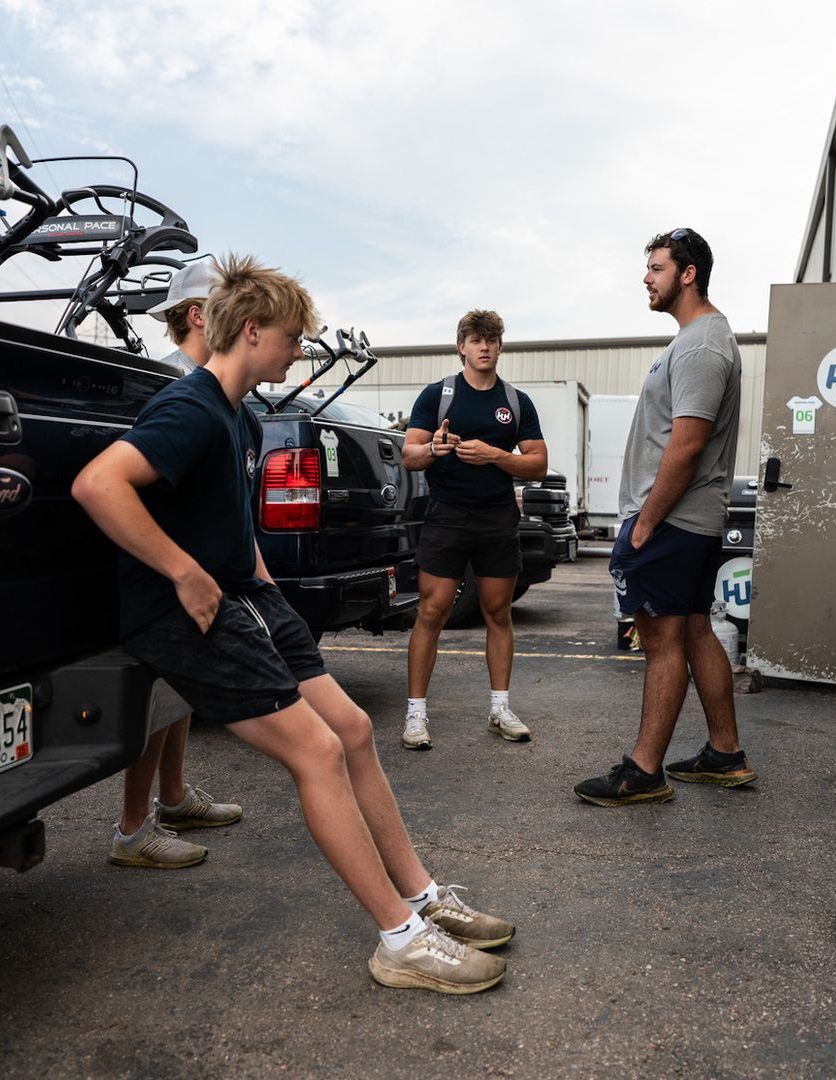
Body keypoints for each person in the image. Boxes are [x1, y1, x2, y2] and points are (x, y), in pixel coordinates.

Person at [72, 255, 515, 992]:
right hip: (182, 611)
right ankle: (399, 941)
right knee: (316, 751)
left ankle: (422, 897)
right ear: (251, 331)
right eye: (293, 337)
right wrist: (184, 572)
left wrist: (270, 596)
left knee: (354, 730)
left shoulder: (241, 414)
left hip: (250, 597)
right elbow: (98, 484)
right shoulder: (189, 406)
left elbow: (228, 520)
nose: (301, 349)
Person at [575, 228, 756, 806]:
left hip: (673, 519)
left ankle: (643, 770)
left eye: (656, 268)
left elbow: (687, 443)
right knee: (695, 628)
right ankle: (725, 754)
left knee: (660, 641)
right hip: (690, 519)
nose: (646, 278)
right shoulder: (698, 339)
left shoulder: (701, 345)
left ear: (688, 274)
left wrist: (647, 521)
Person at [103, 259, 243, 870]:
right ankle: (134, 830)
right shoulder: (174, 386)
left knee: (176, 694)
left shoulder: (206, 384)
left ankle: (176, 797)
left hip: (193, 565)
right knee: (156, 699)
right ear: (197, 315)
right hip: (165, 571)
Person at [400, 310, 549, 750]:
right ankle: (415, 715)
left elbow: (537, 464)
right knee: (432, 611)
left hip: (497, 517)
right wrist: (434, 447)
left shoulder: (516, 402)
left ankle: (500, 710)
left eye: (492, 339)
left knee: (498, 613)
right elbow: (409, 455)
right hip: (448, 515)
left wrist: (495, 456)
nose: (484, 346)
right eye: (475, 339)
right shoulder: (439, 395)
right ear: (461, 346)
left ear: (501, 347)